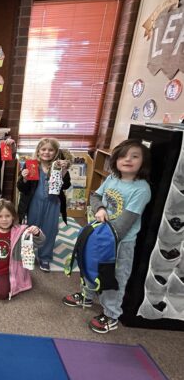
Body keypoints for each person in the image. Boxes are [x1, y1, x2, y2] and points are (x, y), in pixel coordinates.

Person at [63, 139, 151, 334]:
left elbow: (124, 224)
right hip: (99, 234)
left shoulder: (141, 189)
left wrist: (100, 238)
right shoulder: (112, 178)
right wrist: (100, 208)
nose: (128, 160)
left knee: (115, 276)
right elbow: (95, 196)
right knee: (90, 265)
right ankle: (87, 295)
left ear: (143, 162)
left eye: (134, 156)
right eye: (123, 156)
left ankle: (111, 314)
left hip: (120, 243)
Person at [17, 138, 71, 272]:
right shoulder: (31, 165)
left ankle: (45, 256)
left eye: (50, 150)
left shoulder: (58, 166)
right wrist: (24, 178)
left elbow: (66, 185)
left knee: (50, 230)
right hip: (34, 202)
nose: (47, 152)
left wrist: (64, 171)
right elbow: (22, 188)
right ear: (38, 151)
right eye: (43, 149)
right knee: (31, 228)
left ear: (56, 152)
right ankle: (28, 253)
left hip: (53, 203)